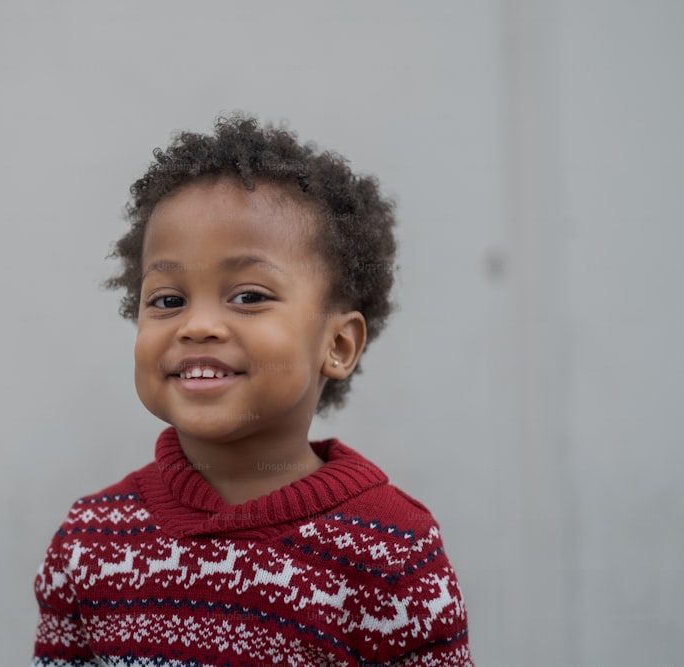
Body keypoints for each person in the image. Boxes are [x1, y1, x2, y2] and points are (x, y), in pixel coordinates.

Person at [31, 114, 472, 666]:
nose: (198, 326)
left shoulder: (390, 551)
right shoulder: (90, 540)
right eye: (168, 300)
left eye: (248, 296)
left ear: (337, 345)